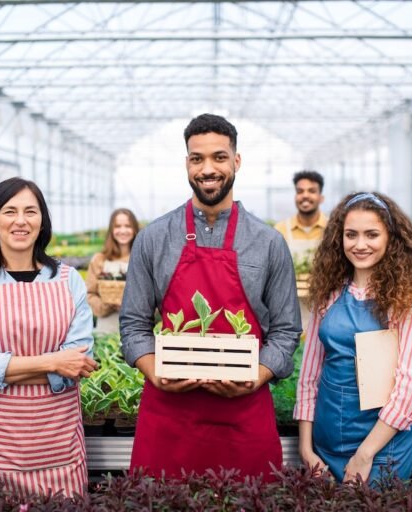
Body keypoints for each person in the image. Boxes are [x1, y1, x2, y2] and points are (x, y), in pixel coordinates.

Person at [120, 113, 301, 481]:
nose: (208, 169)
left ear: (236, 161)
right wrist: (154, 372)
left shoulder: (268, 243)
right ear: (187, 163)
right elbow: (133, 324)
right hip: (170, 419)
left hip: (244, 419)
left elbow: (285, 330)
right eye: (197, 158)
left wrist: (257, 374)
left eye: (219, 157)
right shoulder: (154, 238)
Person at [0, 177, 98, 497]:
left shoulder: (69, 281)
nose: (21, 221)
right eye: (10, 211)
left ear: (42, 222)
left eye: (31, 211)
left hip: (57, 438)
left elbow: (77, 364)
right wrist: (55, 362)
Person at [294, 191, 412, 485]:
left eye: (372, 234)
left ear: (391, 238)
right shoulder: (329, 294)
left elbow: (411, 386)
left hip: (383, 448)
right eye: (350, 235)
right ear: (339, 238)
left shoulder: (409, 299)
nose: (359, 245)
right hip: (326, 444)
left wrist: (365, 454)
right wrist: (306, 449)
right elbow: (309, 376)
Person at [85, 208, 139, 333]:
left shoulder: (142, 257)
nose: (123, 230)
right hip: (107, 325)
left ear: (135, 229)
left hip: (138, 326)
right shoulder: (99, 260)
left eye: (128, 226)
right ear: (111, 230)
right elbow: (89, 294)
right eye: (118, 226)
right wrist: (106, 305)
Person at [274, 170, 327, 266]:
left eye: (312, 191)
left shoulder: (332, 228)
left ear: (321, 198)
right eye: (300, 191)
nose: (305, 195)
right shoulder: (280, 230)